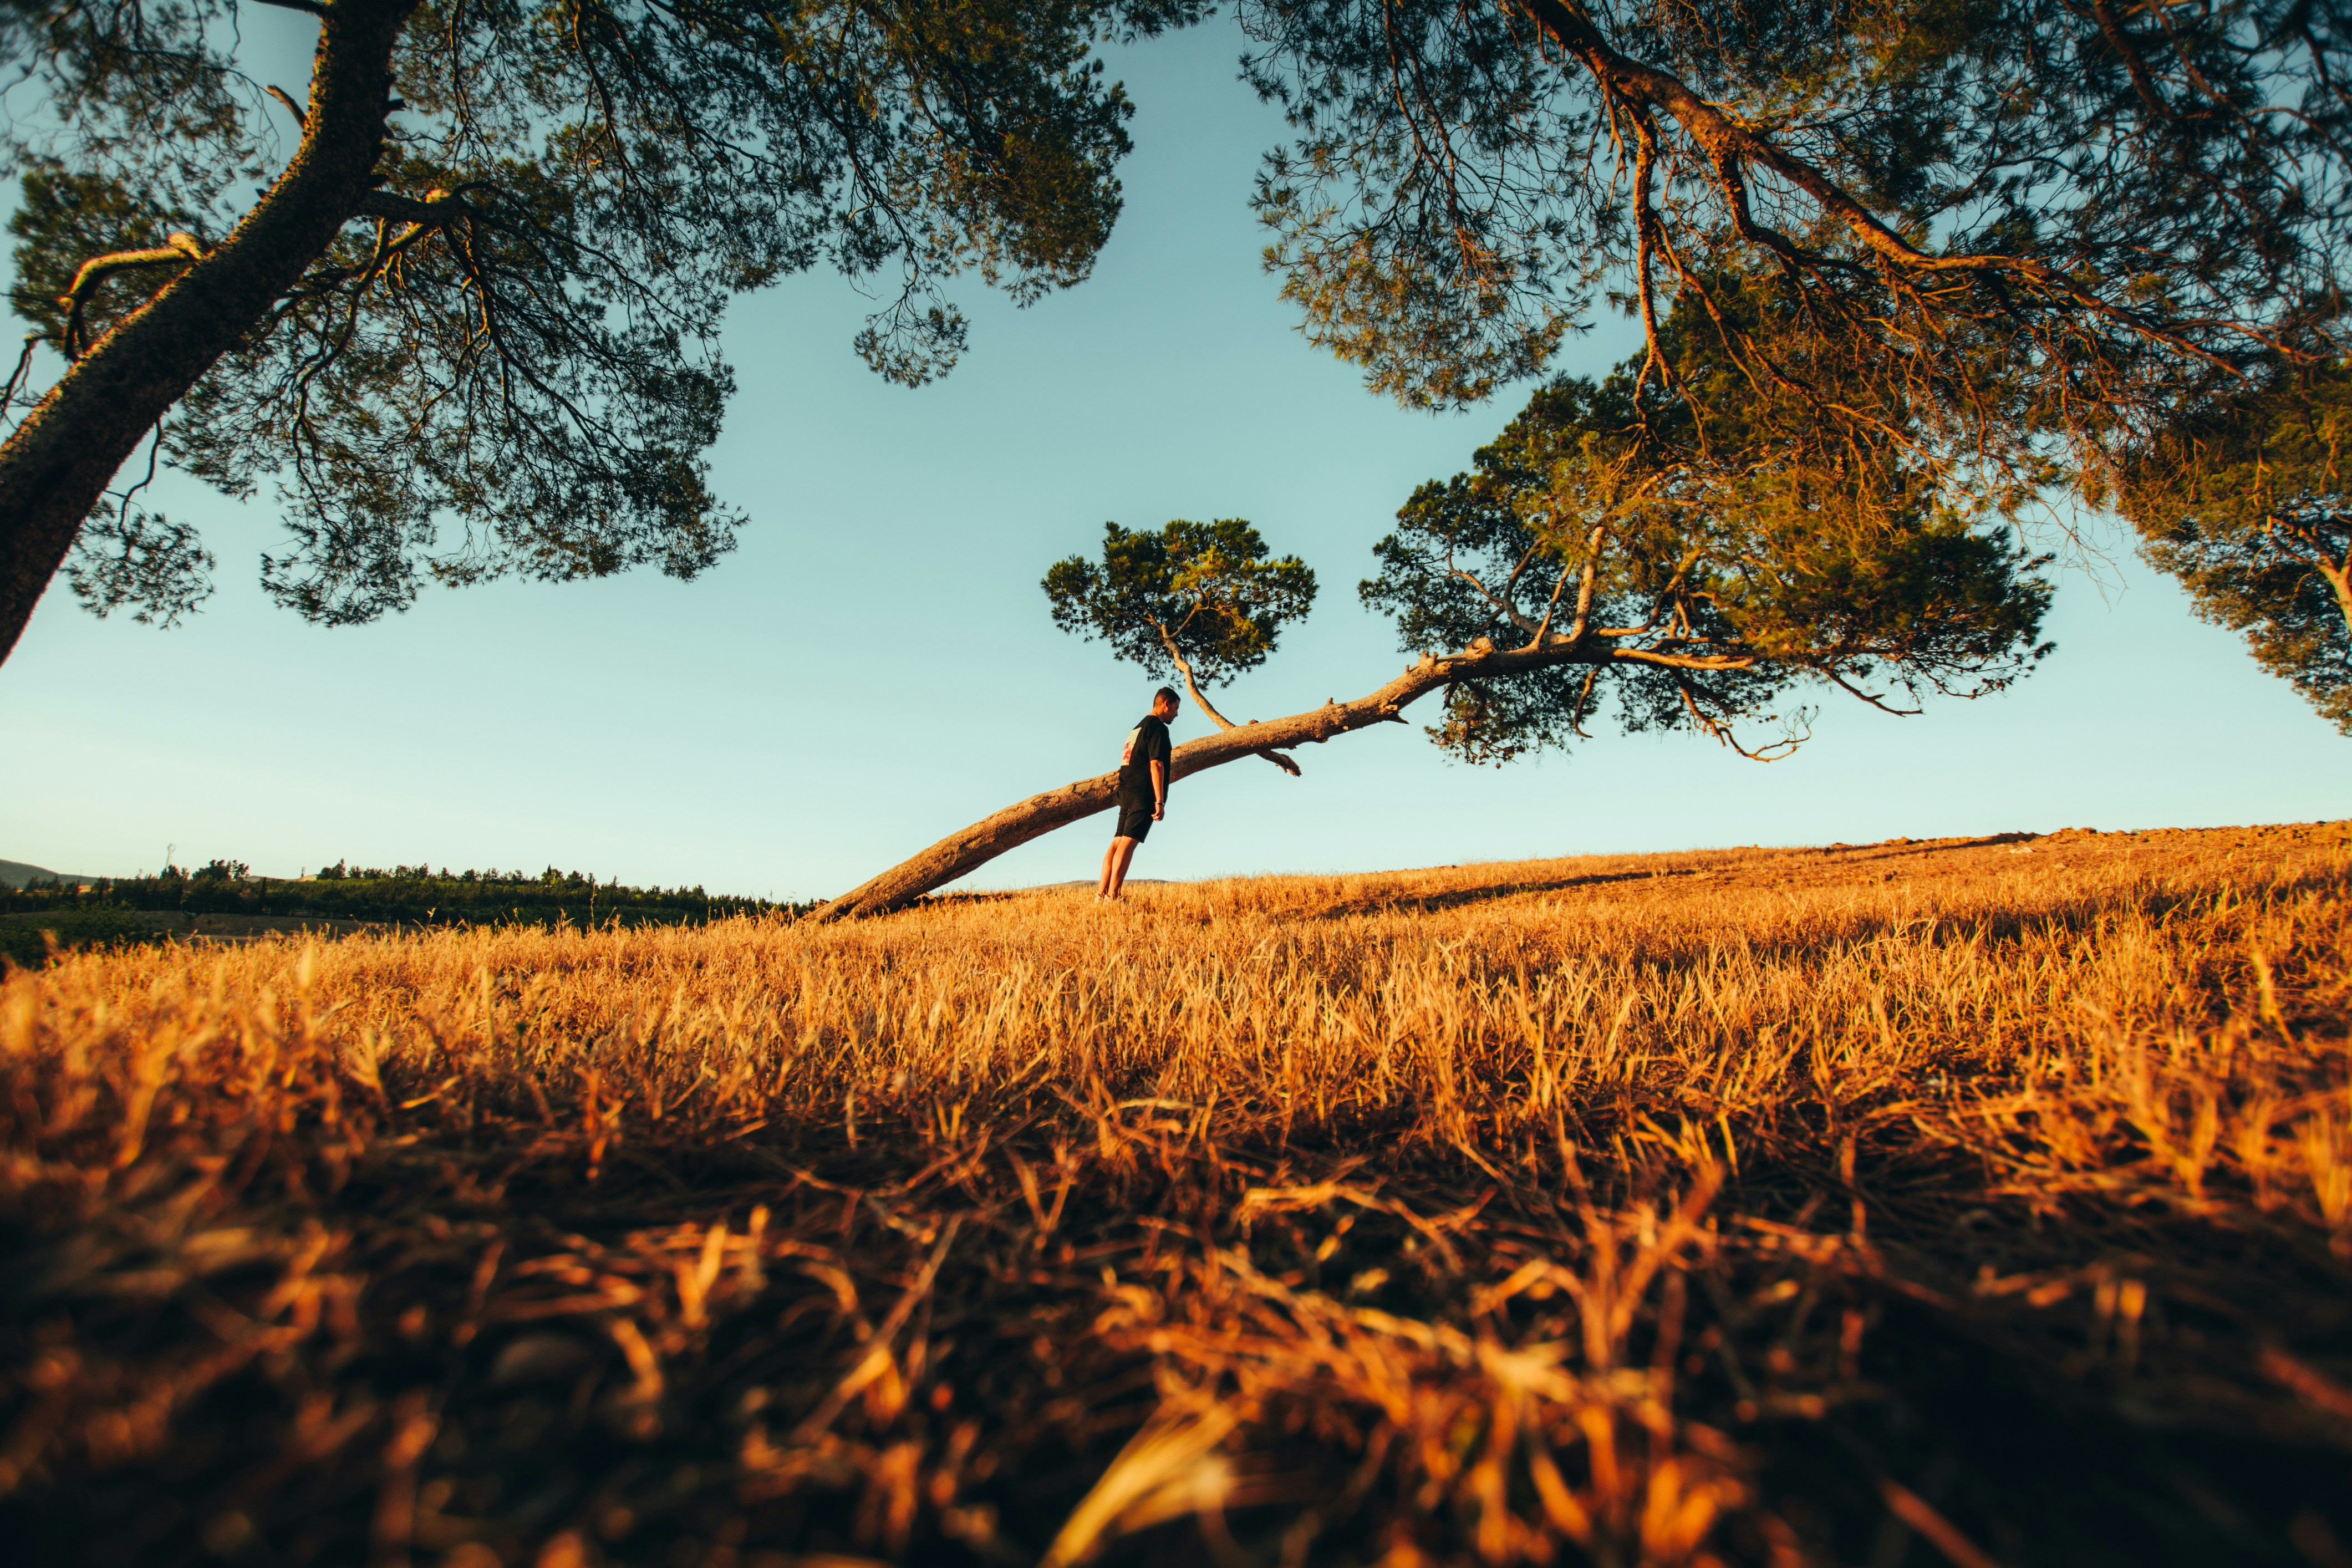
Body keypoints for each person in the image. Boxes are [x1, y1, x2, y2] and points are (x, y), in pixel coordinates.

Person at [1098, 686, 1178, 902]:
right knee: (1128, 843)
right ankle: (1113, 897)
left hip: (1127, 789)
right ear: (1166, 704)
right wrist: (1160, 801)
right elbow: (1157, 764)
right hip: (1143, 793)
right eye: (1176, 708)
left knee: (1117, 842)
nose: (1176, 714)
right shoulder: (1158, 728)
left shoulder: (1137, 728)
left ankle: (1101, 895)